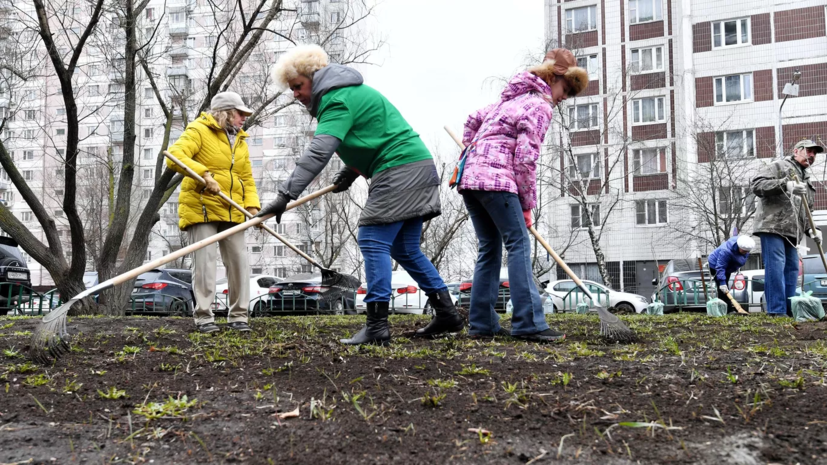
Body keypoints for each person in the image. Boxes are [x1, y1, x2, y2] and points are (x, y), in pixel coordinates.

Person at [258, 44, 463, 345]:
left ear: (314, 79)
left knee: (372, 237)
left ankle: (377, 325)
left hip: (398, 169)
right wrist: (352, 170)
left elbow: (318, 152)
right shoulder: (349, 94)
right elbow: (373, 134)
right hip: (416, 166)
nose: (295, 94)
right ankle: (448, 314)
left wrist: (285, 194)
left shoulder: (336, 99)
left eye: (298, 86)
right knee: (405, 249)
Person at [458, 49, 588, 341]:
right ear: (553, 78)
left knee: (489, 249)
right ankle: (529, 323)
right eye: (566, 89)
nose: (564, 97)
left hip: (470, 181)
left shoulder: (507, 102)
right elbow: (526, 159)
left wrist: (474, 151)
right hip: (498, 183)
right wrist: (527, 204)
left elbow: (471, 119)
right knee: (519, 245)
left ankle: (481, 324)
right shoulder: (539, 107)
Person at [166, 92, 261, 333]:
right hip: (203, 207)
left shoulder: (239, 140)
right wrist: (205, 175)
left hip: (233, 209)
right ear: (226, 113)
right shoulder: (199, 129)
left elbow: (246, 178)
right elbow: (175, 156)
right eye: (240, 114)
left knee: (239, 262)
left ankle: (239, 316)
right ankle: (204, 317)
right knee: (205, 263)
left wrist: (252, 207)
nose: (244, 119)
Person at [751, 139, 825, 317]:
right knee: (776, 265)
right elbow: (757, 185)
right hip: (772, 225)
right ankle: (776, 310)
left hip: (793, 231)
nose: (812, 155)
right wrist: (785, 184)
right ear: (796, 151)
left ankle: (791, 309)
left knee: (792, 268)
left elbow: (806, 212)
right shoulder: (779, 166)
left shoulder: (807, 182)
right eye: (808, 151)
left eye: (814, 153)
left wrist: (812, 231)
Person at [707, 235, 755, 314]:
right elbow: (720, 267)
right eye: (743, 251)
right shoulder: (726, 251)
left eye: (747, 251)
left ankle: (725, 308)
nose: (745, 253)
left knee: (725, 289)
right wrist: (722, 282)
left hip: (727, 267)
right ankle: (728, 310)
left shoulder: (743, 243)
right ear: (739, 246)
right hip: (715, 265)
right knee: (723, 289)